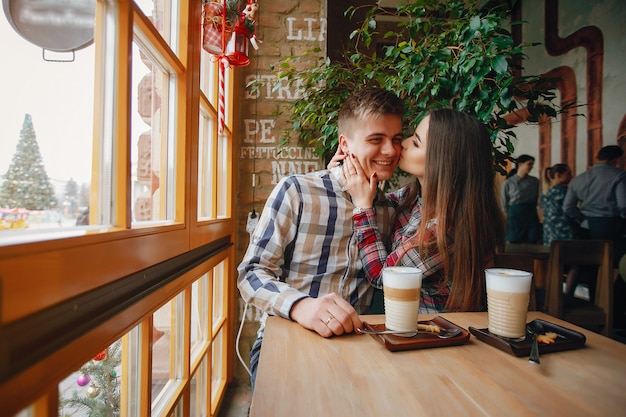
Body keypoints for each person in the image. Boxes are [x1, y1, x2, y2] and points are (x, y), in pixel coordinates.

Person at [237, 87, 405, 390]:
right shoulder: (297, 191)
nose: (391, 151)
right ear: (345, 144)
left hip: (360, 347)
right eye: (376, 139)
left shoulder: (391, 210)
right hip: (287, 340)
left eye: (396, 139)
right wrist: (303, 306)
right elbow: (251, 273)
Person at [340, 108, 505, 312]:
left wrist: (363, 206)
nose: (403, 145)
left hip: (434, 334)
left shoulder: (446, 228)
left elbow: (384, 277)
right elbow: (378, 200)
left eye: (416, 142)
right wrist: (341, 172)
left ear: (444, 162)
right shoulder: (415, 198)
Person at [562, 145, 626, 301]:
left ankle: (578, 300)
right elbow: (624, 205)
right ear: (616, 159)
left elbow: (567, 207)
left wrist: (583, 219)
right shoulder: (619, 176)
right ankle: (610, 306)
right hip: (611, 226)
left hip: (586, 226)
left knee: (585, 264)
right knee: (614, 266)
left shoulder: (580, 178)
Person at [500, 154, 541, 243]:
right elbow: (504, 202)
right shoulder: (508, 183)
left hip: (531, 213)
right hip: (515, 214)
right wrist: (507, 215)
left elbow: (538, 198)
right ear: (520, 164)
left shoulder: (535, 181)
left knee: (532, 239)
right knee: (514, 240)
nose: (531, 167)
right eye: (529, 164)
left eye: (532, 164)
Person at [541, 163, 574, 245]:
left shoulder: (546, 192)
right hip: (564, 231)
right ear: (558, 175)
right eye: (568, 174)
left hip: (549, 232)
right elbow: (570, 210)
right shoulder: (564, 191)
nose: (571, 177)